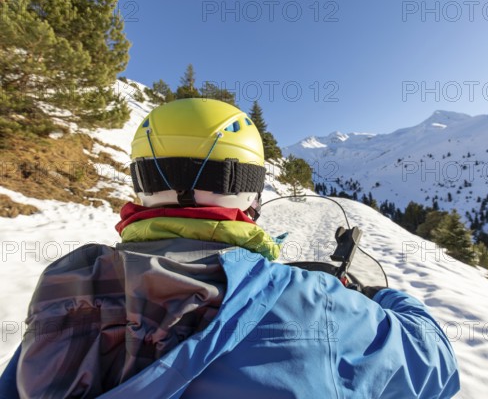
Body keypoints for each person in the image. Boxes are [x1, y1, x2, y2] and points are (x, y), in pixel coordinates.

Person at [0, 98, 460, 398]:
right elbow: (434, 365)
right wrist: (385, 297)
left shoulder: (64, 293)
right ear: (247, 190)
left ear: (142, 183)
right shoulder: (312, 302)